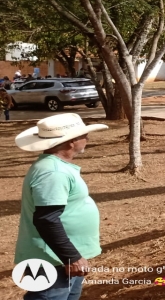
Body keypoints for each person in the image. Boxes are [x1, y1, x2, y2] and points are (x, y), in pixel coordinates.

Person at [14, 113, 108, 300]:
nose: (87, 139)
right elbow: (46, 220)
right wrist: (71, 257)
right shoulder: (52, 172)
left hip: (60, 257)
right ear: (71, 142)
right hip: (52, 259)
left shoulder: (57, 167)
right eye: (84, 135)